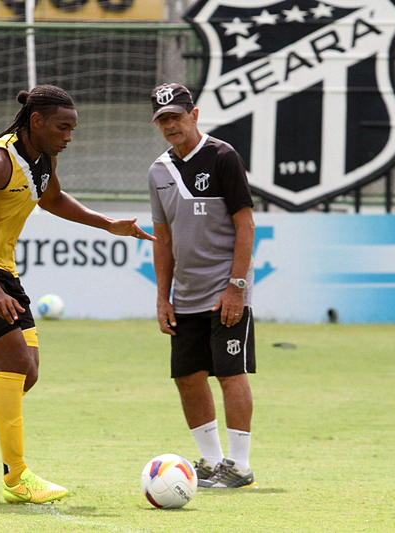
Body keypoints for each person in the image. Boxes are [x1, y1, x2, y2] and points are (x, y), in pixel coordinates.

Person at [0, 84, 155, 504]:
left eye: (73, 129)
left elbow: (53, 199)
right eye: (63, 128)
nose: (69, 137)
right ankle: (16, 478)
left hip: (1, 269)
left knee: (25, 373)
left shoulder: (41, 160)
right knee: (13, 364)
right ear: (37, 121)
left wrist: (108, 224)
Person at [148, 83, 258, 489]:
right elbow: (163, 238)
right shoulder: (158, 171)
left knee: (230, 375)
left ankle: (240, 466)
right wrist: (163, 297)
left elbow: (245, 225)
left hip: (224, 293)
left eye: (176, 116)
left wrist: (236, 287)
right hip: (185, 296)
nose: (170, 125)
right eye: (162, 119)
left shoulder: (223, 157)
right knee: (188, 376)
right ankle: (211, 463)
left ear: (194, 115)